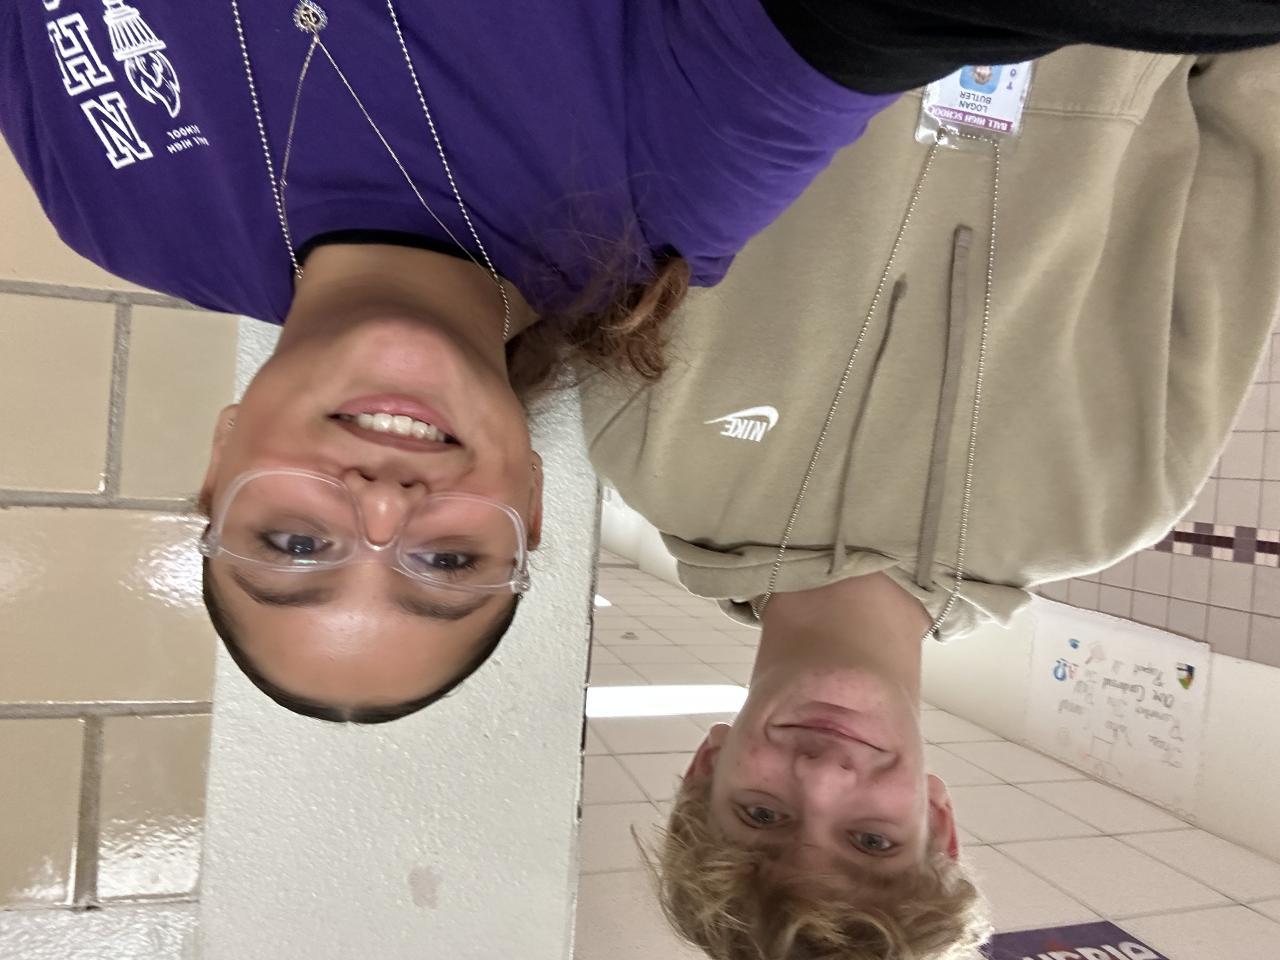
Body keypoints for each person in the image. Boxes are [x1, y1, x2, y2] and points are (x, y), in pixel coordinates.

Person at [4, 3, 1279, 725]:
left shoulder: (108, 206)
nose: (381, 512)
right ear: (531, 500)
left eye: (292, 544)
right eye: (447, 564)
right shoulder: (664, 187)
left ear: (219, 461)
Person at [579, 41, 1280, 960]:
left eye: (764, 813)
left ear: (708, 766)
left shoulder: (649, 447)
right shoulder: (1106, 504)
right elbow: (1254, 127)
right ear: (936, 821)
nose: (824, 775)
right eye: (870, 838)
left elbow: (638, 99)